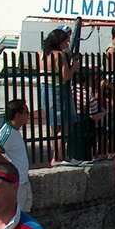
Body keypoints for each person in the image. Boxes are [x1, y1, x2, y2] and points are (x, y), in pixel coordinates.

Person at [40, 28, 80, 166]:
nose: (66, 44)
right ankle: (57, 157)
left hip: (45, 89)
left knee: (54, 125)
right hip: (59, 90)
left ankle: (59, 155)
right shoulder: (59, 55)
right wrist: (74, 67)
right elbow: (66, 76)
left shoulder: (42, 54)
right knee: (64, 126)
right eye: (65, 42)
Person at [0, 100, 32, 212]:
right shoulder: (7, 132)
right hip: (16, 184)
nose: (28, 115)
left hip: (23, 181)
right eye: (26, 112)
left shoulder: (15, 131)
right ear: (18, 115)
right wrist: (10, 168)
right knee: (15, 218)